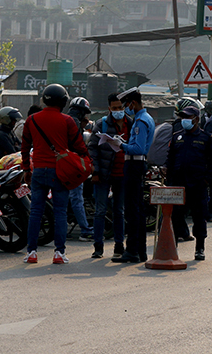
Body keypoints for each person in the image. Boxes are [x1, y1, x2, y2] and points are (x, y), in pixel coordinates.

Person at [22, 84, 88, 264]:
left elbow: (25, 147)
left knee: (36, 211)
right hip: (59, 172)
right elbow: (79, 147)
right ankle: (59, 253)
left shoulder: (32, 120)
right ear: (64, 101)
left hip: (38, 171)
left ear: (44, 99)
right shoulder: (67, 121)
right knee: (60, 212)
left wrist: (26, 169)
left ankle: (31, 253)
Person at [166, 106, 212, 260]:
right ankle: (173, 248)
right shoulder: (176, 137)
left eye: (188, 117)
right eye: (183, 117)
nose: (185, 120)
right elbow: (170, 160)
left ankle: (200, 248)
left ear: (196, 119)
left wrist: (206, 180)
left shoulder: (206, 137)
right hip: (178, 185)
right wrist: (169, 179)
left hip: (197, 185)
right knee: (176, 217)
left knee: (199, 217)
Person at [110, 88, 155, 264]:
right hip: (136, 164)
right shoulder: (145, 118)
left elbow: (138, 148)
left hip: (134, 164)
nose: (125, 108)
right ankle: (139, 251)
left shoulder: (141, 121)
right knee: (137, 209)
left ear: (133, 103)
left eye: (126, 105)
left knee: (132, 210)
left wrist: (120, 145)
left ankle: (133, 250)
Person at [87, 93, 131, 259]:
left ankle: (119, 246)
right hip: (104, 174)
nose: (118, 111)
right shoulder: (102, 125)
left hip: (122, 174)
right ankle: (98, 247)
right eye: (115, 108)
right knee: (100, 211)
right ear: (109, 109)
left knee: (119, 211)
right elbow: (92, 149)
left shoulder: (131, 124)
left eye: (120, 107)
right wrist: (95, 171)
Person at [65, 97, 95, 243]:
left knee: (64, 198)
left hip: (62, 163)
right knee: (77, 198)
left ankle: (63, 230)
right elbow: (77, 144)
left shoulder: (63, 119)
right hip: (73, 164)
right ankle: (85, 230)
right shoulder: (74, 122)